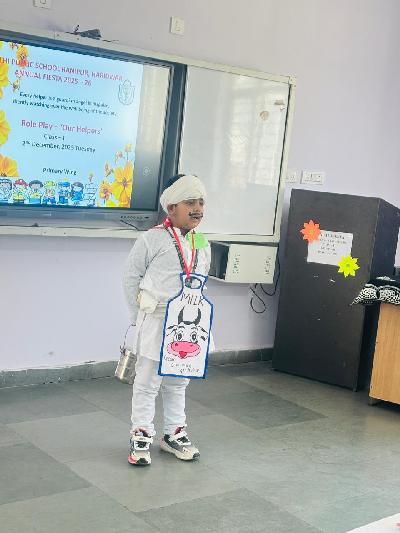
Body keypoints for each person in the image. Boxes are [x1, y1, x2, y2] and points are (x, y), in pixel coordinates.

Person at [122, 174, 211, 466]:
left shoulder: (202, 242)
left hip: (186, 326)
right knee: (147, 380)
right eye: (190, 202)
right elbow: (131, 277)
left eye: (201, 202)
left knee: (178, 381)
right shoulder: (151, 239)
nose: (197, 208)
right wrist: (137, 317)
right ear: (171, 207)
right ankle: (141, 434)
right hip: (157, 320)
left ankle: (174, 433)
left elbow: (201, 281)